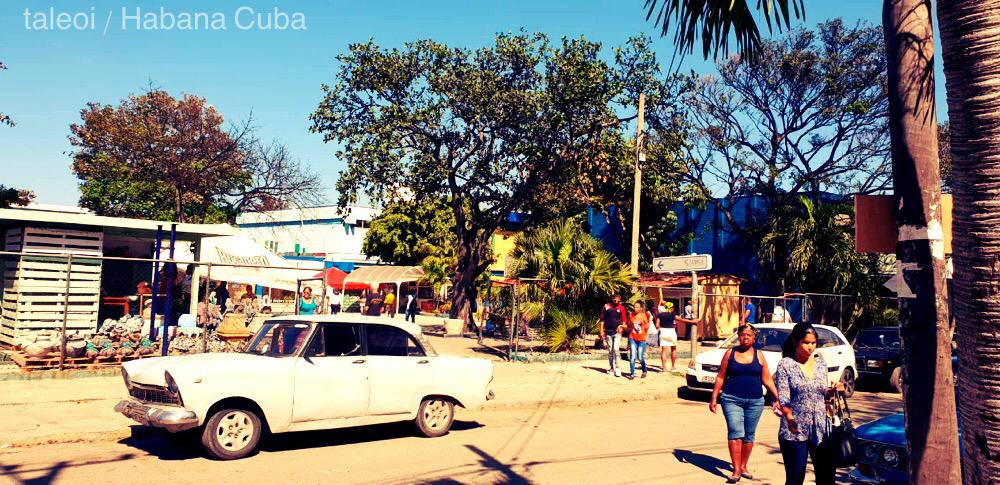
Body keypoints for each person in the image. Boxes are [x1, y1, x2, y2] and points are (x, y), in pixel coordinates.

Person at [709, 324, 781, 483]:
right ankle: (736, 470)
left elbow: (767, 379)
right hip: (731, 399)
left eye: (749, 335)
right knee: (735, 432)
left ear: (754, 337)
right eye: (742, 335)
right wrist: (714, 397)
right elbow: (721, 376)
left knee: (749, 435)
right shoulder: (730, 353)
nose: (746, 337)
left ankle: (743, 465)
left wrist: (777, 397)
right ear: (738, 337)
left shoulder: (759, 355)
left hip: (755, 401)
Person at [775, 322, 845, 485]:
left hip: (821, 429)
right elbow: (784, 397)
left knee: (827, 478)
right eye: (806, 343)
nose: (810, 347)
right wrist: (789, 417)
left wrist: (835, 390)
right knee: (795, 478)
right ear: (795, 341)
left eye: (813, 343)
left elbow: (821, 394)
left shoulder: (821, 365)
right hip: (794, 429)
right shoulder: (786, 364)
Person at [656, 302, 697, 372]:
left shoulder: (660, 315)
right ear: (671, 308)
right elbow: (682, 320)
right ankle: (673, 367)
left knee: (664, 351)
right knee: (673, 349)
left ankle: (664, 368)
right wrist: (693, 322)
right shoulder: (673, 314)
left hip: (663, 332)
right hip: (671, 332)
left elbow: (657, 325)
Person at [599, 295, 628, 377]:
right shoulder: (606, 306)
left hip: (617, 331)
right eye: (615, 300)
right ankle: (611, 367)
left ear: (620, 300)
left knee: (616, 349)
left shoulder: (621, 308)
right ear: (612, 299)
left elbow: (624, 320)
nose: (616, 302)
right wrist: (601, 330)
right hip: (608, 332)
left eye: (618, 301)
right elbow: (602, 319)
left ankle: (618, 367)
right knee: (610, 350)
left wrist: (622, 327)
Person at [628, 301, 651, 380]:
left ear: (641, 308)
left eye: (637, 307)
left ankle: (644, 370)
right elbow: (629, 326)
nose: (635, 308)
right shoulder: (631, 315)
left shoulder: (644, 316)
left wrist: (649, 321)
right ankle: (632, 374)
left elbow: (647, 328)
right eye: (634, 307)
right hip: (632, 338)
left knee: (640, 357)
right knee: (633, 356)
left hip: (641, 339)